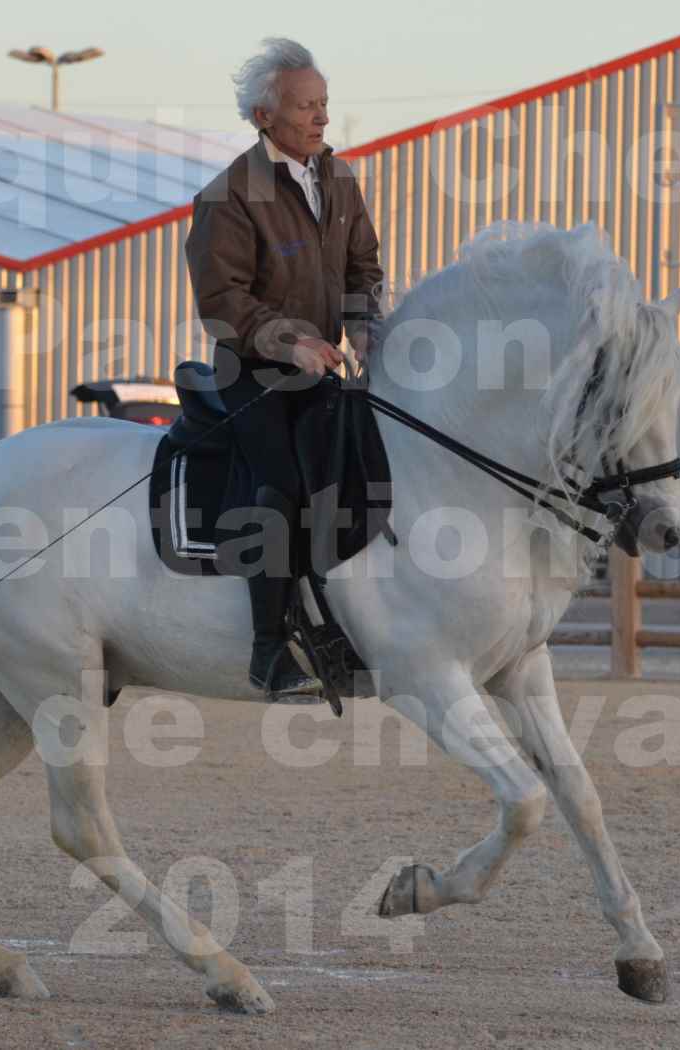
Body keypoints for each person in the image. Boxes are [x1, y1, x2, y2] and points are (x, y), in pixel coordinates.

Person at [185, 38, 385, 696]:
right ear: (264, 117)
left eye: (324, 104)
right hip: (253, 372)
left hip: (322, 368)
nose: (321, 118)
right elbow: (223, 302)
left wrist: (363, 324)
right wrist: (288, 341)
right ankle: (269, 648)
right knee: (283, 484)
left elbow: (362, 267)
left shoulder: (339, 177)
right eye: (306, 107)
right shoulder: (227, 195)